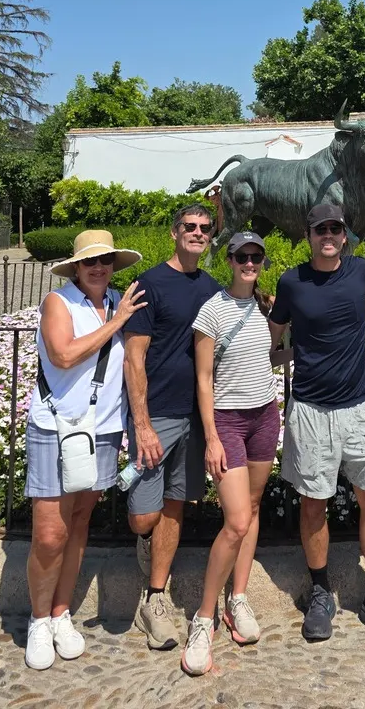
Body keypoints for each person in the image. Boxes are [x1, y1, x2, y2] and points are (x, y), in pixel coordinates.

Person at [269, 203, 365, 645]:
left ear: (345, 235)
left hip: (359, 407)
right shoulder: (292, 282)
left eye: (335, 228)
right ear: (309, 235)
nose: (328, 235)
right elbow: (271, 339)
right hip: (310, 410)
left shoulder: (361, 272)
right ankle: (319, 592)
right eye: (320, 229)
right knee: (314, 503)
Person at [24, 230, 145, 670]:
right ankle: (39, 618)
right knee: (49, 533)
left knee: (78, 523)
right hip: (57, 427)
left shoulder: (119, 300)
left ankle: (60, 612)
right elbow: (62, 354)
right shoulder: (60, 302)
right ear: (76, 266)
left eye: (106, 260)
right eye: (90, 261)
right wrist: (117, 323)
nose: (99, 268)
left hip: (104, 429)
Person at [181, 231, 282, 676]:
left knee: (253, 508)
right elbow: (203, 378)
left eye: (256, 255)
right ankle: (204, 617)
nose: (249, 262)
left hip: (265, 414)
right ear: (229, 260)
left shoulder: (264, 305)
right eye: (242, 255)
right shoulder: (212, 310)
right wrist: (212, 437)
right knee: (237, 520)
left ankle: (236, 598)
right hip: (227, 420)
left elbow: (272, 355)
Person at [123, 203, 222, 650]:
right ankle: (146, 543)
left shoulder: (214, 288)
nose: (197, 233)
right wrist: (141, 424)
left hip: (194, 416)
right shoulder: (149, 285)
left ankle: (156, 596)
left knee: (176, 504)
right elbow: (134, 357)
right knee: (146, 513)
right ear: (173, 233)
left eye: (204, 228)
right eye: (190, 227)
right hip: (157, 414)